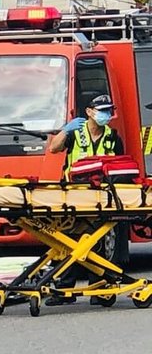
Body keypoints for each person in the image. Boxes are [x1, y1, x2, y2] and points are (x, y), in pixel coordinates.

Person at [46, 94, 125, 306]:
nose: (106, 115)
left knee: (97, 242)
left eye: (108, 111)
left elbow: (121, 165)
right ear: (89, 112)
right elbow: (54, 148)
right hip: (72, 196)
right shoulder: (76, 133)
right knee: (68, 240)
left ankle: (98, 288)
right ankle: (65, 289)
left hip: (100, 198)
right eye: (102, 111)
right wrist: (66, 129)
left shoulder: (112, 136)